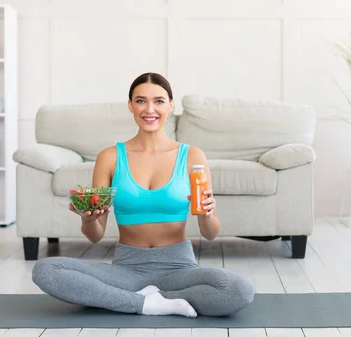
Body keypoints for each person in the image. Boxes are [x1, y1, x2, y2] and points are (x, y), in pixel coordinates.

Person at [31, 72, 255, 318]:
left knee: (239, 290)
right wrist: (88, 218)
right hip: (127, 269)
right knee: (46, 270)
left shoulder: (192, 156)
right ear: (130, 105)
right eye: (141, 101)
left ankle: (139, 301)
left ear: (170, 105)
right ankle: (149, 304)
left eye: (159, 101)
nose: (150, 109)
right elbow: (95, 236)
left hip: (179, 267)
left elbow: (210, 233)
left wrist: (207, 214)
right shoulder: (110, 157)